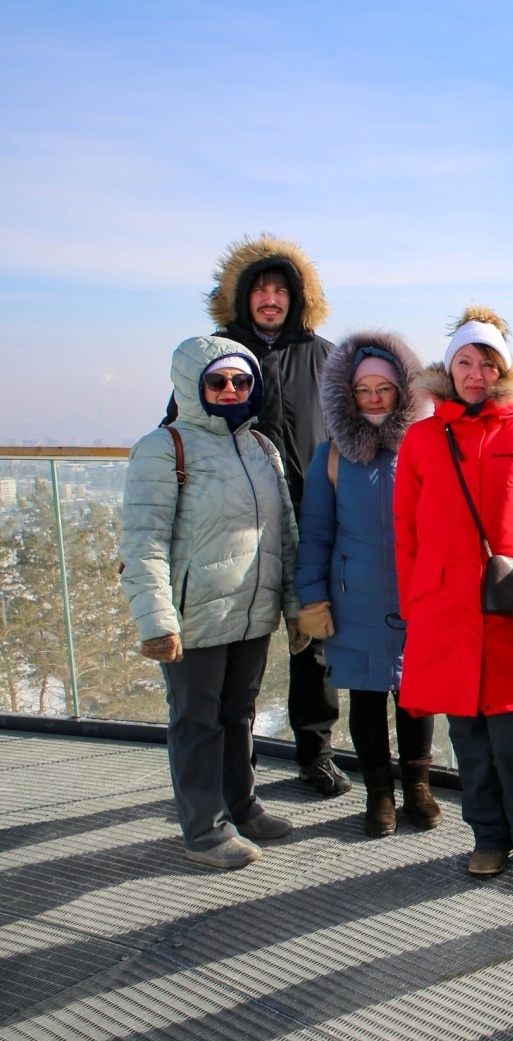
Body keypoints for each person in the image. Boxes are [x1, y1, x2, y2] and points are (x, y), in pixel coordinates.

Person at [394, 306, 513, 881]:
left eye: (487, 363)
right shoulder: (423, 439)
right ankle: (489, 837)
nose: (475, 374)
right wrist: (415, 606)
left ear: (503, 371)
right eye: (465, 362)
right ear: (449, 367)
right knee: (469, 736)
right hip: (445, 612)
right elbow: (405, 531)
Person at [120, 336, 305, 868]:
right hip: (193, 615)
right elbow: (143, 541)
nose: (230, 390)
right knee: (196, 720)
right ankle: (205, 827)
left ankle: (243, 806)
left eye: (241, 381)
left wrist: (292, 605)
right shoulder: (163, 447)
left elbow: (284, 534)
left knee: (239, 714)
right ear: (191, 385)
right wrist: (157, 621)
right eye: (218, 381)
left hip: (250, 612)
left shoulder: (260, 447)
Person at [174, 234, 347, 796]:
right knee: (233, 645)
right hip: (232, 524)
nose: (270, 298)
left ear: (299, 297)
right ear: (242, 296)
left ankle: (316, 753)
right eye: (260, 289)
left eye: (281, 289)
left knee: (314, 639)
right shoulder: (216, 354)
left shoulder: (324, 356)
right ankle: (231, 768)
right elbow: (177, 433)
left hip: (311, 516)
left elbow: (353, 432)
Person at [295, 331, 440, 838]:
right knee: (366, 698)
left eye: (385, 387)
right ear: (346, 395)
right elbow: (314, 533)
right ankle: (380, 792)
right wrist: (310, 596)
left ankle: (417, 786)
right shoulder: (330, 457)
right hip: (352, 596)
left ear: (404, 390)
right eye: (363, 389)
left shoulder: (424, 450)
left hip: (417, 597)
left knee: (416, 695)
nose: (374, 397)